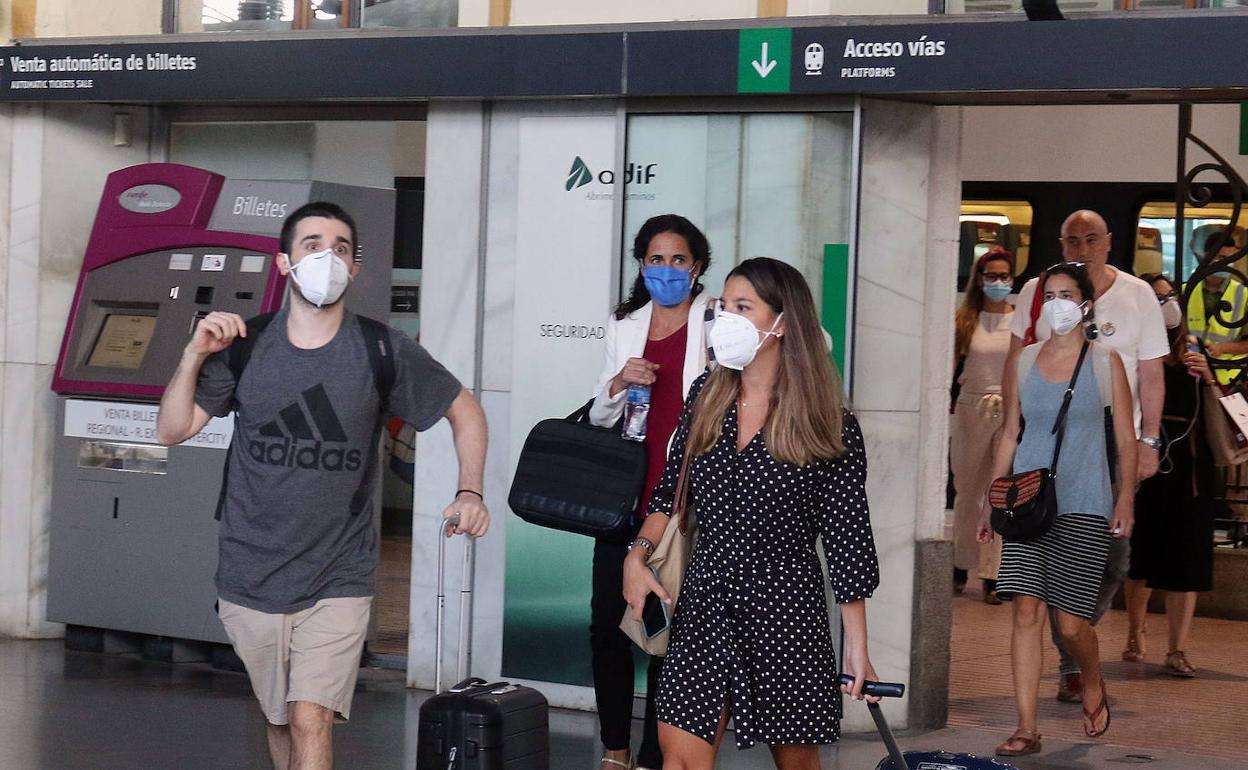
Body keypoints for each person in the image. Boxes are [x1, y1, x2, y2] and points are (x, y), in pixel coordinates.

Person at [155, 202, 490, 770]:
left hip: (340, 571)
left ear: (354, 269)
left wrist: (471, 491)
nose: (327, 257)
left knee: (310, 716)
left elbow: (465, 410)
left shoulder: (382, 349)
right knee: (280, 716)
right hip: (249, 569)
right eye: (312, 244)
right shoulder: (247, 345)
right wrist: (192, 355)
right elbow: (172, 429)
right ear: (284, 263)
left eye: (340, 247)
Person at [622, 257, 881, 769]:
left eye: (744, 307)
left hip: (786, 609)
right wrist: (638, 554)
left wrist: (857, 648)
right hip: (705, 602)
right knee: (678, 762)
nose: (726, 320)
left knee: (797, 765)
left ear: (782, 323)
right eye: (723, 307)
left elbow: (849, 541)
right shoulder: (706, 396)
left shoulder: (828, 424)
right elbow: (671, 490)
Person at [1008, 209, 1169, 703]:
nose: (1081, 248)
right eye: (1072, 240)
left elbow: (1151, 373)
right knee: (1041, 556)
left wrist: (1150, 441)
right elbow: (1017, 357)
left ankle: (1074, 636)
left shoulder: (1137, 294)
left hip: (1113, 431)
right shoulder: (1041, 289)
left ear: (1109, 242)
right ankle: (1067, 660)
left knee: (1113, 558)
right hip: (1050, 434)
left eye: (1091, 239)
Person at [981, 261, 1137, 757]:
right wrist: (992, 498)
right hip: (1027, 503)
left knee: (1071, 625)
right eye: (1049, 296)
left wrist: (1126, 498)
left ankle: (1091, 677)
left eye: (1067, 295)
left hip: (1084, 504)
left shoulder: (1104, 361)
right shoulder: (1023, 361)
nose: (1057, 305)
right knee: (1025, 610)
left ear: (1086, 304)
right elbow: (1010, 433)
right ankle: (1026, 727)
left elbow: (1126, 440)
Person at [588, 214, 715, 770]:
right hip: (624, 499)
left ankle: (653, 754)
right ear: (642, 265)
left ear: (697, 267)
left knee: (671, 635)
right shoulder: (623, 326)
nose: (667, 269)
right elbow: (598, 415)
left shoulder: (717, 321)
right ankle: (616, 750)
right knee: (607, 627)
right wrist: (619, 383)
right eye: (656, 259)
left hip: (684, 507)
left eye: (678, 259)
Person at [1122, 273, 1218, 676]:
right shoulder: (1133, 348)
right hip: (1146, 457)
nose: (1166, 306)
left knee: (1187, 557)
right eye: (1157, 299)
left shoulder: (1196, 348)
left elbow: (1217, 405)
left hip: (1191, 464)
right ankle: (1135, 630)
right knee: (1140, 553)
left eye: (1170, 298)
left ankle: (1177, 648)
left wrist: (1208, 377)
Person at [950, 248, 1015, 604]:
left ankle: (994, 574)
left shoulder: (1019, 322)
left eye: (1005, 276)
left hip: (1007, 409)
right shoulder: (965, 320)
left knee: (1000, 492)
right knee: (967, 490)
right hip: (971, 407)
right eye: (992, 276)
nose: (999, 283)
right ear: (979, 278)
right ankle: (961, 564)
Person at [1187, 231, 1248, 386]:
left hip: (1227, 377)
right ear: (1207, 256)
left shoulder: (1244, 294)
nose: (1227, 263)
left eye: (1231, 259)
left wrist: (1223, 348)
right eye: (1221, 257)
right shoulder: (1186, 291)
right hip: (1189, 372)